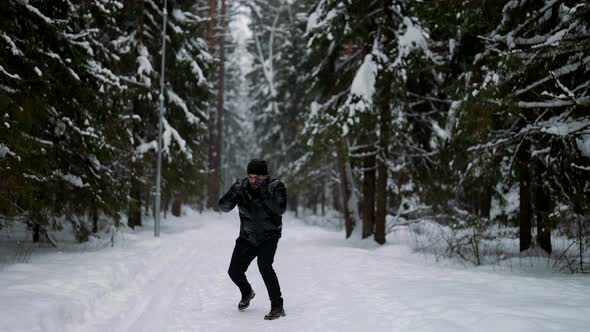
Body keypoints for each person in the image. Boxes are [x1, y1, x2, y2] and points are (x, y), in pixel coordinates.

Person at [218, 159, 288, 320]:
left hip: (269, 236)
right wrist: (232, 194)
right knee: (234, 271)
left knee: (264, 265)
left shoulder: (275, 186)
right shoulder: (241, 187)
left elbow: (280, 209)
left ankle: (277, 306)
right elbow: (223, 207)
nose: (253, 181)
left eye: (258, 178)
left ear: (266, 176)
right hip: (248, 236)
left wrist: (264, 192)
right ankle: (247, 292)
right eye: (250, 177)